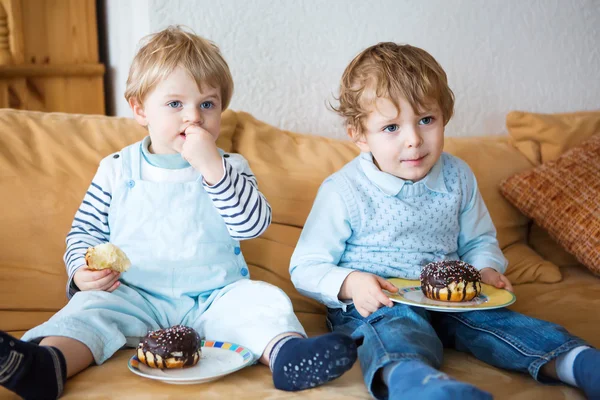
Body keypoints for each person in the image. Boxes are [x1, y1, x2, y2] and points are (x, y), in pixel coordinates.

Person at [0, 26, 356, 400]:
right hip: (133, 295)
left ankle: (288, 355)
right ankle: (46, 364)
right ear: (140, 109)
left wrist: (213, 169)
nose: (194, 119)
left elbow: (252, 225)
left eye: (207, 104)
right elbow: (83, 233)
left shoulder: (231, 166)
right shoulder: (116, 169)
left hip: (216, 296)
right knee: (88, 310)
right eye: (175, 105)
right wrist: (81, 271)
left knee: (262, 302)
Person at [289, 42, 598, 400]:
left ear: (444, 116)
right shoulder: (343, 190)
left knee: (501, 322)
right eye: (391, 127)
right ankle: (417, 383)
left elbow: (479, 240)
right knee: (394, 329)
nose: (414, 140)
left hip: (451, 298)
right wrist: (352, 283)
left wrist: (485, 268)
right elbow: (306, 266)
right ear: (359, 135)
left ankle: (576, 362)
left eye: (426, 120)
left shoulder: (457, 176)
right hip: (382, 302)